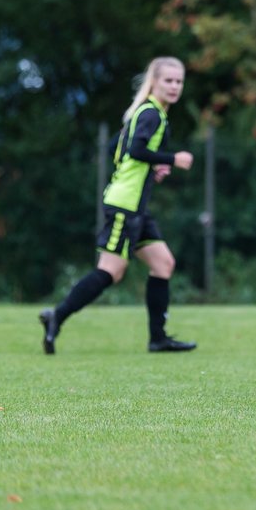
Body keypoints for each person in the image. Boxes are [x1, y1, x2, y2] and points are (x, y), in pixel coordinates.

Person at [39, 56, 198, 354]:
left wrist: (153, 168)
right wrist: (171, 159)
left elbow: (118, 147)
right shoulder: (151, 113)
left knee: (163, 263)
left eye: (179, 81)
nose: (175, 86)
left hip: (136, 206)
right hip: (125, 205)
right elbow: (136, 149)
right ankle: (56, 317)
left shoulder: (148, 113)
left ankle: (158, 338)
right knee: (111, 270)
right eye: (169, 81)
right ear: (154, 82)